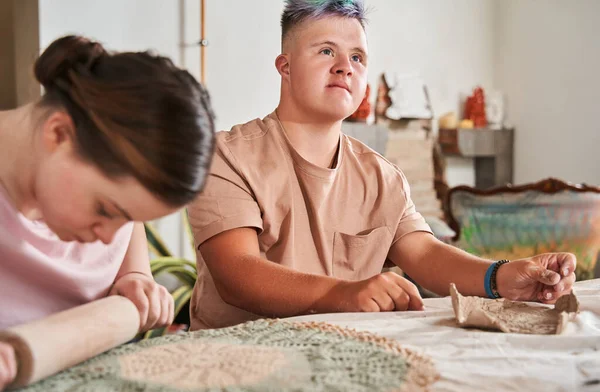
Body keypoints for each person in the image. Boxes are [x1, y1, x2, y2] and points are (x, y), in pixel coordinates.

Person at [187, 0, 576, 330]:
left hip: (351, 354)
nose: (345, 66)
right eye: (326, 51)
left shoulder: (381, 175)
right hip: (239, 360)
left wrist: (501, 276)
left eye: (357, 57)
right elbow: (236, 273)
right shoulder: (226, 155)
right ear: (285, 67)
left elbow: (424, 254)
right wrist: (343, 293)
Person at [0, 35, 215, 389]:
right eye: (105, 209)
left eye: (131, 218)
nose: (107, 237)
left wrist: (137, 277)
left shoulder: (111, 207)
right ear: (58, 134)